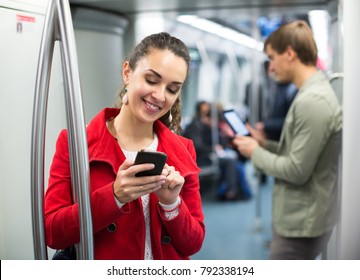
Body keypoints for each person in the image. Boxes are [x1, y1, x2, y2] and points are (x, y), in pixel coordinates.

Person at [44, 32, 205, 260]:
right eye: (151, 80)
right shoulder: (75, 143)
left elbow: (193, 243)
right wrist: (114, 196)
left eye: (172, 89)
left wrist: (171, 204)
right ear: (127, 72)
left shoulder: (183, 148)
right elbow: (52, 233)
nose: (159, 95)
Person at [232, 20, 342, 260]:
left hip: (301, 223)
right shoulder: (309, 94)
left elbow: (296, 170)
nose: (270, 67)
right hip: (299, 215)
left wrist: (254, 152)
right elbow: (296, 152)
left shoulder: (312, 102)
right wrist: (264, 145)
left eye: (272, 57)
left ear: (290, 54)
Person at [183, 101, 249, 200]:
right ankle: (231, 190)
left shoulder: (210, 127)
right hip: (200, 158)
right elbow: (197, 146)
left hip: (209, 155)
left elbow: (219, 142)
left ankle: (232, 189)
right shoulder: (195, 126)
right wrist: (213, 149)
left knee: (235, 162)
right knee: (231, 161)